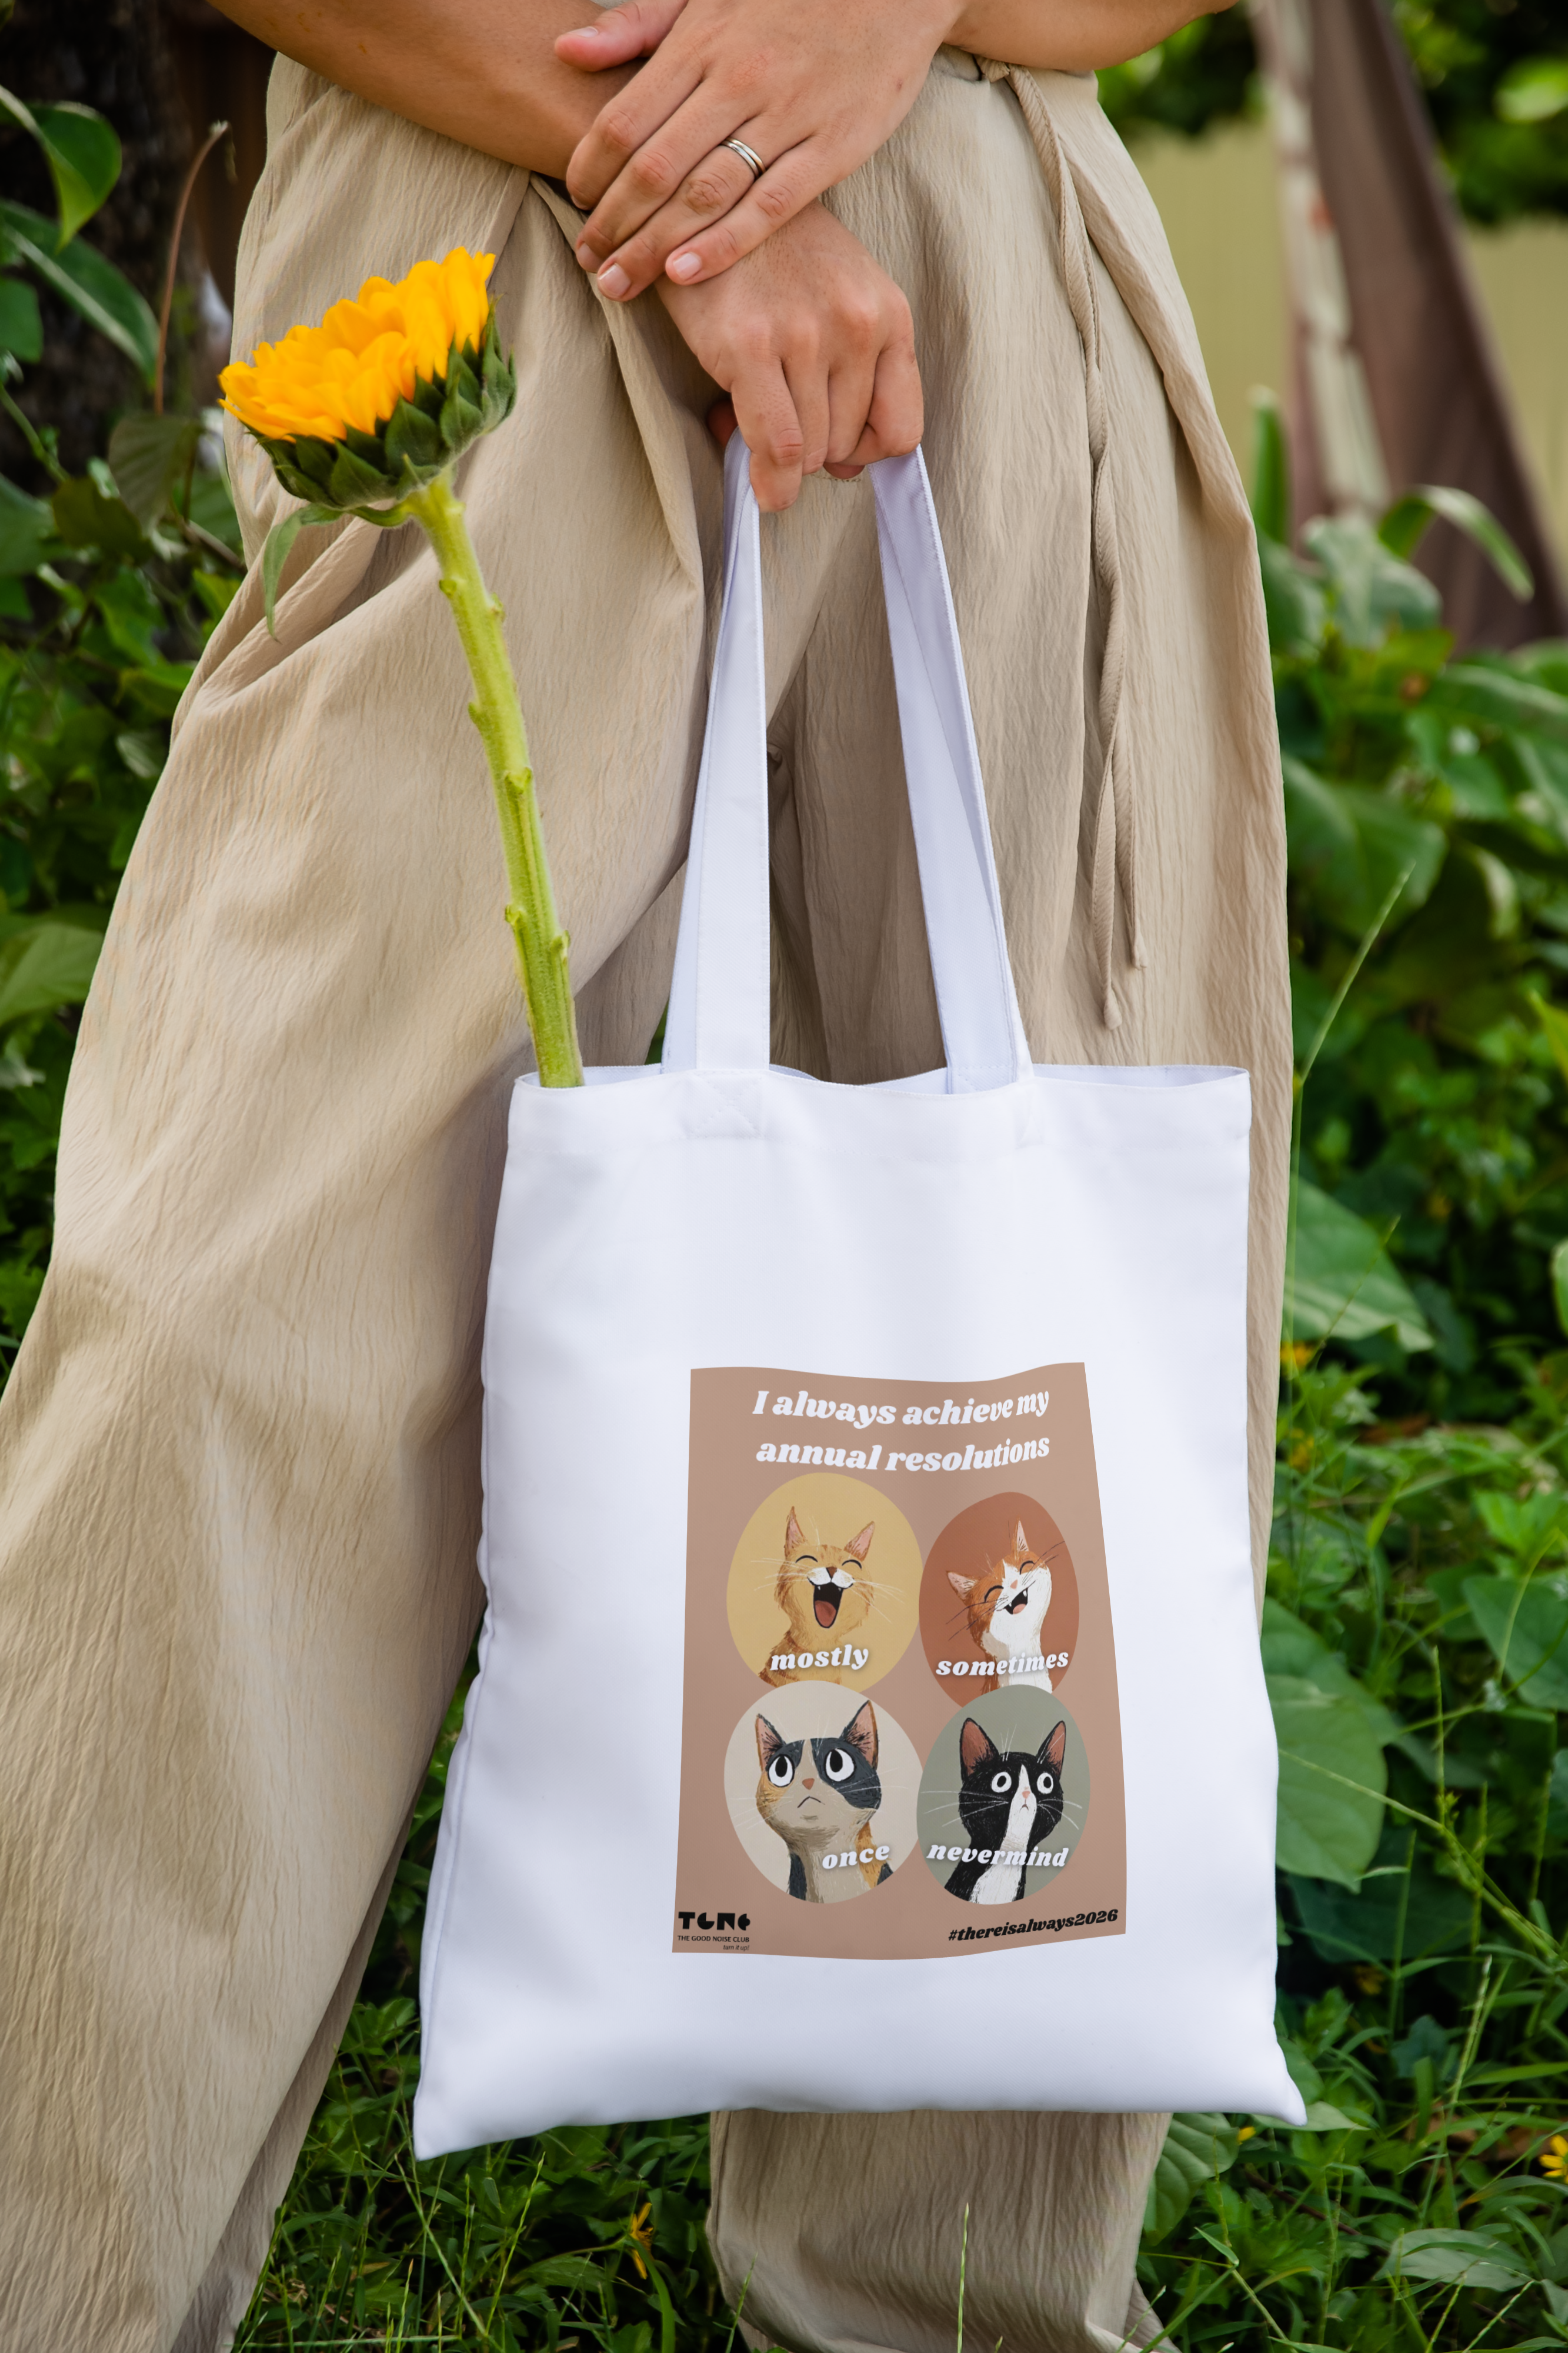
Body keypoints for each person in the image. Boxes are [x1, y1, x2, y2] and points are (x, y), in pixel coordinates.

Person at [0, 0, 1291, 2345]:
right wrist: (705, 184)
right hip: (477, 247)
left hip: (1009, 288)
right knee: (214, 1342)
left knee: (1002, 1410)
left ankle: (944, 2306)